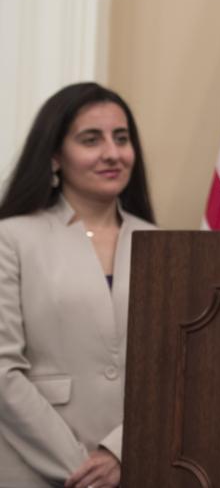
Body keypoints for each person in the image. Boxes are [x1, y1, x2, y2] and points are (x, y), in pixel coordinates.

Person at [0, 82, 156, 487]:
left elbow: (172, 367)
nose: (112, 153)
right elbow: (3, 371)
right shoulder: (11, 238)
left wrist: (120, 453)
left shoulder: (161, 243)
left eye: (121, 139)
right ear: (54, 156)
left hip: (137, 466)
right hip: (34, 468)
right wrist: (83, 469)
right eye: (91, 139)